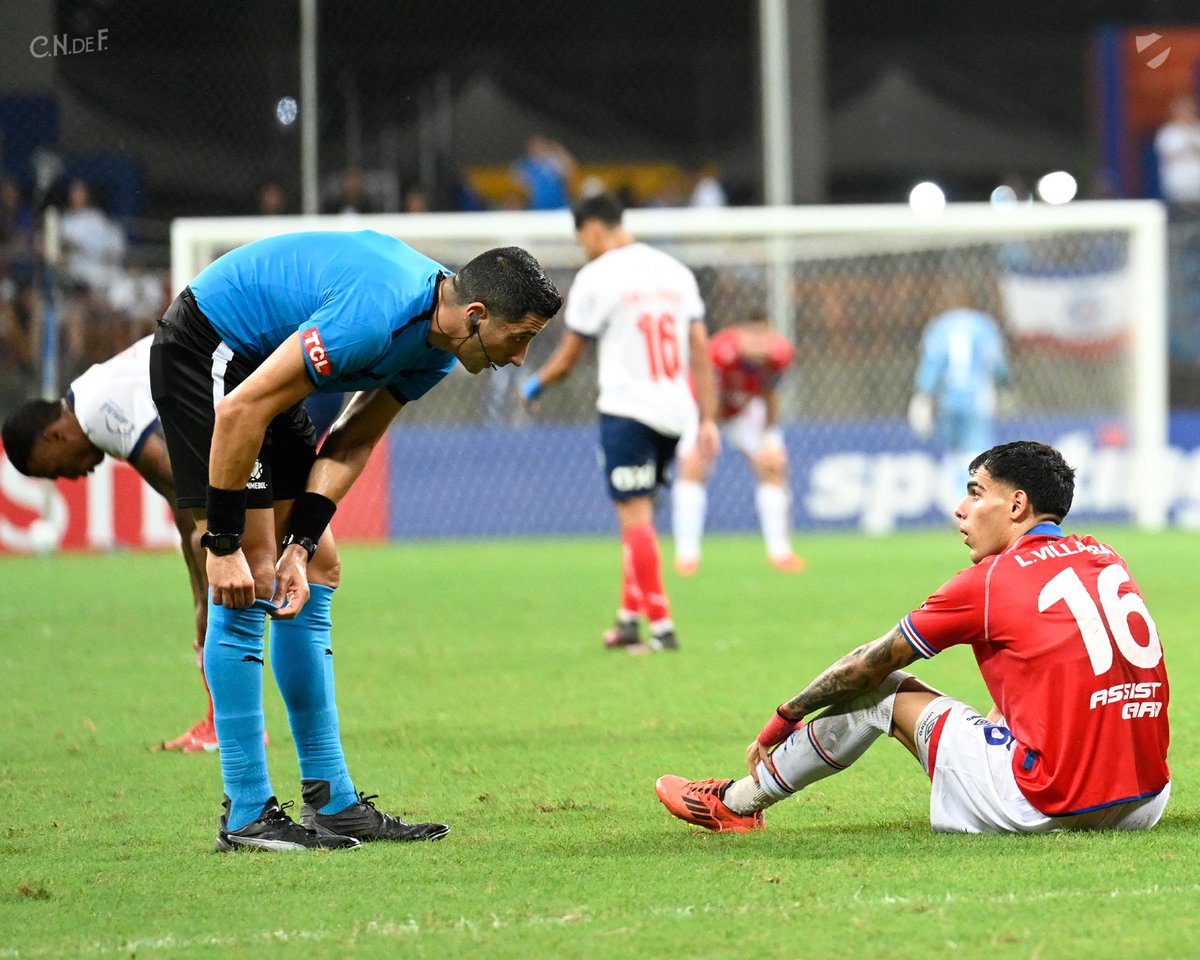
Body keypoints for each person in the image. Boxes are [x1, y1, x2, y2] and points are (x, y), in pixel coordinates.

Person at [150, 230, 561, 851]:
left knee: (317, 571)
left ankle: (334, 803)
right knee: (252, 573)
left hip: (260, 363)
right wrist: (224, 543)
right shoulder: (374, 315)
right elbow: (238, 412)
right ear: (476, 316)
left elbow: (352, 440)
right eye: (522, 337)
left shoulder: (437, 349)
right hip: (209, 348)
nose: (521, 357)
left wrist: (302, 541)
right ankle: (246, 812)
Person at [656, 441, 1170, 836]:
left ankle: (736, 804)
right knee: (1016, 698)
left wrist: (782, 719)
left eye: (975, 493)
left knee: (882, 689)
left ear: (1017, 506)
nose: (960, 510)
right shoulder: (1105, 557)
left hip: (1046, 803)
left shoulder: (991, 581)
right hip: (1143, 801)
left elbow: (864, 665)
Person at [521, 194, 720, 653]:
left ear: (593, 228)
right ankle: (629, 618)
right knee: (642, 515)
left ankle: (663, 628)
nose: (583, 248)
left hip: (628, 410)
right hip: (675, 413)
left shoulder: (597, 276)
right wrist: (707, 417)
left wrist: (535, 385)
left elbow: (570, 356)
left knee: (633, 516)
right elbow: (700, 350)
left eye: (581, 239)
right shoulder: (676, 272)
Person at [1, 335, 217, 751]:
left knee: (224, 578)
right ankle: (222, 721)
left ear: (54, 437)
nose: (67, 479)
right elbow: (180, 494)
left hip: (245, 370)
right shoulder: (92, 394)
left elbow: (185, 482)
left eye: (53, 471)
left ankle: (228, 724)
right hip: (235, 373)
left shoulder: (98, 413)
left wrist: (204, 581)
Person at [672, 316, 803, 575]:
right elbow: (707, 392)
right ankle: (687, 555)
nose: (757, 343)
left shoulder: (780, 355)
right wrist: (707, 427)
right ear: (739, 335)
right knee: (694, 465)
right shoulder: (719, 352)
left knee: (773, 466)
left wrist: (768, 436)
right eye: (751, 336)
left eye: (762, 336)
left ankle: (781, 553)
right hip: (706, 408)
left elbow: (770, 396)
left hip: (745, 410)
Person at [907, 306, 1008, 455]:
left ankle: (959, 476)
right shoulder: (984, 326)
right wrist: (1005, 384)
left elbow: (931, 365)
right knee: (978, 452)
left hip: (948, 400)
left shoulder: (939, 327)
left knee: (955, 452)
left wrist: (923, 395)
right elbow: (998, 365)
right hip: (977, 401)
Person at [1154, 93, 1200, 207]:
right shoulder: (1168, 132)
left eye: (1187, 109)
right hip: (1178, 185)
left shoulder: (1197, 129)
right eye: (1181, 110)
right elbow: (1167, 155)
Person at [512, 135, 576, 210]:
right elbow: (515, 174)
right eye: (535, 146)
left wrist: (559, 150)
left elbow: (571, 169)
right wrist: (529, 189)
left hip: (560, 204)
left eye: (541, 146)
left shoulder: (554, 161)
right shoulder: (527, 164)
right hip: (539, 205)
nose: (538, 149)